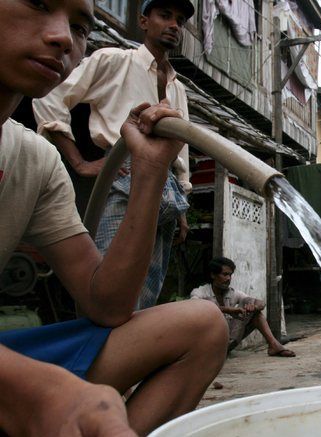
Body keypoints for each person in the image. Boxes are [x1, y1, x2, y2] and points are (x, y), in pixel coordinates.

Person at [0, 1, 228, 435]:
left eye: (79, 26)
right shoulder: (114, 61)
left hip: (155, 188)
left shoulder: (35, 162)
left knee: (200, 323)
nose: (64, 37)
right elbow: (54, 104)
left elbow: (106, 305)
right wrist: (41, 392)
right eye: (37, 3)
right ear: (143, 22)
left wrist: (153, 173)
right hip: (114, 177)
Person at [33, 0, 195, 309]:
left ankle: (134, 355)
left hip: (167, 184)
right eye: (165, 15)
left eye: (180, 20)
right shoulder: (114, 60)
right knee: (113, 285)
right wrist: (78, 161)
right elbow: (53, 95)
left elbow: (182, 148)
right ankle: (103, 350)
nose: (174, 25)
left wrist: (182, 205)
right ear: (144, 21)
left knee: (148, 289)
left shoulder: (178, 88)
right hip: (125, 174)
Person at [191, 257, 296, 357]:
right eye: (225, 274)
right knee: (203, 307)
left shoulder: (232, 293)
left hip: (227, 342)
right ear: (213, 275)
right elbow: (193, 309)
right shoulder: (200, 292)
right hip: (208, 344)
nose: (228, 278)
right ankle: (274, 346)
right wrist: (228, 310)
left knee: (254, 309)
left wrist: (253, 307)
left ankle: (274, 345)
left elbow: (261, 303)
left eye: (230, 275)